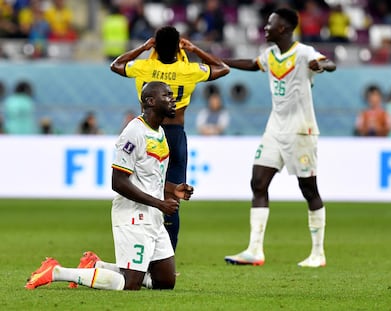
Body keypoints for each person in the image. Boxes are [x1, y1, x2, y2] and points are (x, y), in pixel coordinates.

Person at [25, 81, 194, 291]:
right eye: (167, 96)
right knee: (129, 284)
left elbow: (151, 177)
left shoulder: (159, 133)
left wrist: (172, 189)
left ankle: (96, 266)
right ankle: (56, 271)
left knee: (165, 281)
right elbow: (118, 182)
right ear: (150, 101)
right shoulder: (134, 132)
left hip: (154, 215)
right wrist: (160, 203)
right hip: (134, 216)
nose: (173, 100)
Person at [222, 8, 336, 268]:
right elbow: (252, 65)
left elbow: (330, 63)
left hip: (301, 130)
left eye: (270, 23)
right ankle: (254, 250)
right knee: (258, 182)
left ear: (283, 28)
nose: (265, 27)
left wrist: (322, 65)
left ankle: (318, 253)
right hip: (275, 129)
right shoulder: (271, 54)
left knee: (309, 189)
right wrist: (220, 61)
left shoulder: (304, 52)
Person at [110, 26, 229, 252]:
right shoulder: (188, 70)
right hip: (175, 136)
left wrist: (143, 48)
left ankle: (143, 251)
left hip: (150, 134)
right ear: (178, 46)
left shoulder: (145, 66)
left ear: (155, 45)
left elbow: (116, 64)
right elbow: (223, 68)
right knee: (173, 197)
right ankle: (167, 257)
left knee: (145, 191)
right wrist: (194, 48)